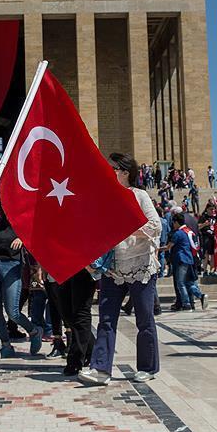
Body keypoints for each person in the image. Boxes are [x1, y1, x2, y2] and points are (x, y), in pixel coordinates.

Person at [79, 153, 162, 386]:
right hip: (113, 268)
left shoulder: (139, 195)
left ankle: (147, 367)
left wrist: (125, 228)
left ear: (125, 172)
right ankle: (100, 368)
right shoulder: (104, 198)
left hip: (139, 265)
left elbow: (155, 225)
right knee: (106, 319)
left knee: (144, 319)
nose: (107, 172)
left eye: (112, 168)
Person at [0, 201, 43, 358]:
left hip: (13, 267)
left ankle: (34, 331)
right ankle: (6, 345)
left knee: (12, 311)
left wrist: (23, 239)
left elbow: (35, 239)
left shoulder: (22, 224)